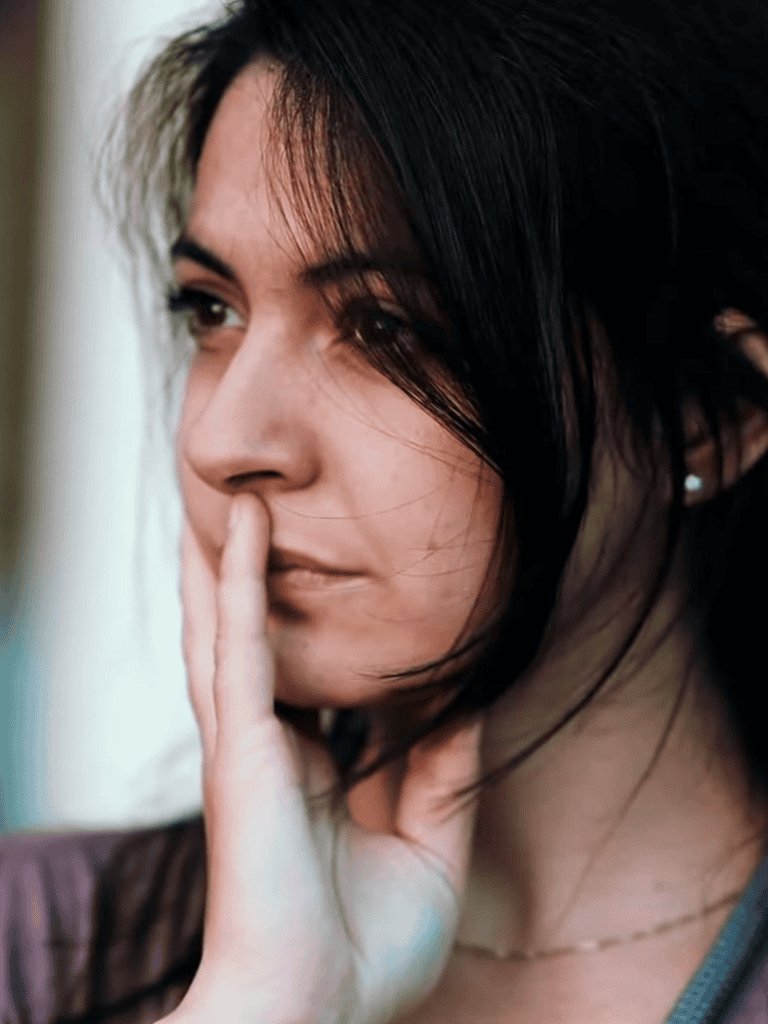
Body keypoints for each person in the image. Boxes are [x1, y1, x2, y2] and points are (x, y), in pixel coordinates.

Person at [4, 0, 768, 1020]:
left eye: (387, 328)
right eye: (213, 309)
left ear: (709, 414)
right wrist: (255, 1001)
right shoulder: (37, 944)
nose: (226, 441)